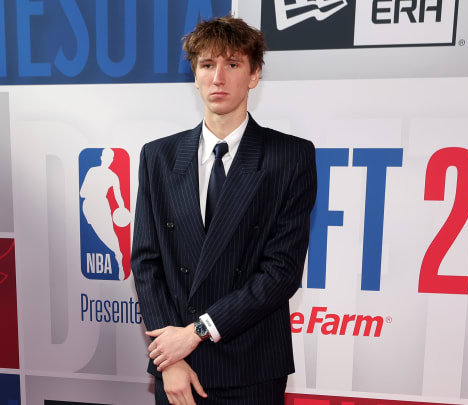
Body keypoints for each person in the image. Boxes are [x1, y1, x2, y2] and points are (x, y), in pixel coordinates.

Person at [131, 15, 317, 405]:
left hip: (251, 365)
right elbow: (147, 265)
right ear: (195, 76)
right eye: (207, 65)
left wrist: (194, 333)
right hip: (177, 369)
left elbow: (281, 273)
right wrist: (170, 359)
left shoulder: (290, 156)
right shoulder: (158, 157)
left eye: (232, 65)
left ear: (254, 75)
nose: (218, 78)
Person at [80, 148, 128, 280]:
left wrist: (122, 209)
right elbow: (82, 192)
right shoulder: (93, 171)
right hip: (89, 207)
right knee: (102, 234)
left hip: (102, 206)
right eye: (107, 157)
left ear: (112, 160)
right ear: (102, 157)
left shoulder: (113, 176)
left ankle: (119, 257)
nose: (108, 160)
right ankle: (118, 254)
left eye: (110, 158)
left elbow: (118, 196)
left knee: (109, 233)